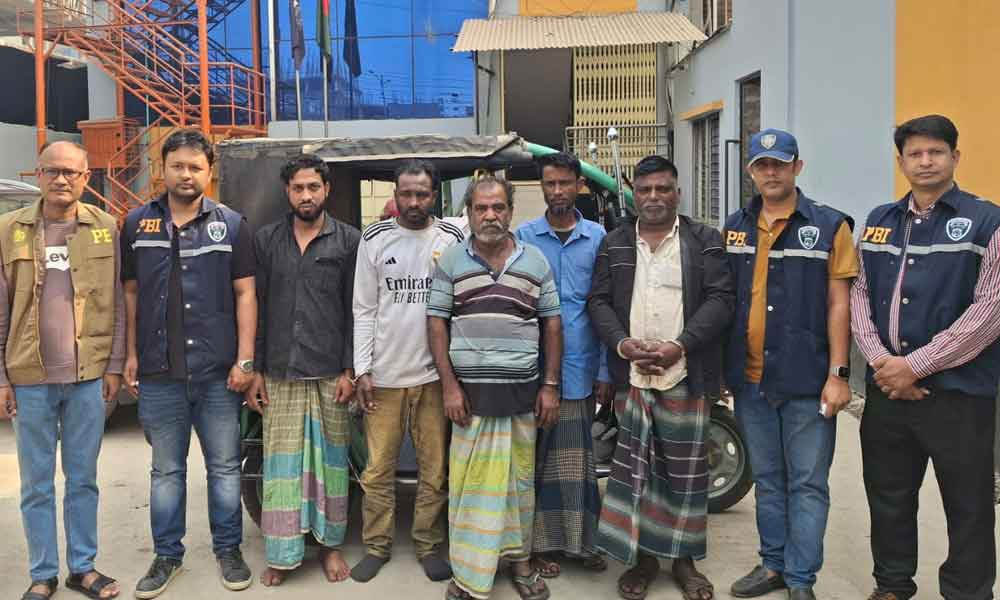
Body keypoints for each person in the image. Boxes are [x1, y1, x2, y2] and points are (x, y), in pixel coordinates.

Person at [851, 114, 1000, 600]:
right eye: (915, 153)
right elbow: (859, 295)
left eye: (936, 152)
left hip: (959, 394)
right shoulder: (878, 221)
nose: (925, 161)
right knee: (888, 496)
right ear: (901, 162)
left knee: (968, 503)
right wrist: (882, 363)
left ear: (955, 157)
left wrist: (915, 366)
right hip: (888, 393)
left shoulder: (987, 221)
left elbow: (990, 310)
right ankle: (892, 585)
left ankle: (968, 592)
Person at [588, 155, 734, 600]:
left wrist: (680, 346)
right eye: (645, 189)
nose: (653, 197)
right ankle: (645, 560)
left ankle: (685, 561)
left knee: (685, 474)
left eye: (662, 189)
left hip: (685, 372)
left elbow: (721, 300)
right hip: (632, 375)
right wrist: (623, 345)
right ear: (634, 194)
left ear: (677, 193)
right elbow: (598, 301)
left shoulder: (704, 240)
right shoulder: (615, 242)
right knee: (639, 473)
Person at [121, 128, 257, 598]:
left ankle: (228, 550)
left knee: (224, 468)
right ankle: (167, 556)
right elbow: (130, 294)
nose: (186, 174)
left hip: (217, 374)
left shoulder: (232, 225)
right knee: (166, 472)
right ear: (162, 168)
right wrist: (131, 354)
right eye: (177, 165)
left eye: (195, 167)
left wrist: (245, 360)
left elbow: (246, 294)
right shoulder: (136, 224)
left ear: (209, 171)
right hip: (159, 373)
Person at [722, 130, 857, 600]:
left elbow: (840, 305)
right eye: (762, 165)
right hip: (751, 380)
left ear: (797, 167)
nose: (771, 172)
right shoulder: (735, 227)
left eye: (780, 163)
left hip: (807, 380)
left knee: (808, 483)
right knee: (767, 480)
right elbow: (726, 301)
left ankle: (801, 579)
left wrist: (839, 375)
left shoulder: (829, 226)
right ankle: (773, 565)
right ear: (751, 172)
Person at [427, 175, 562, 600]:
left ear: (510, 212)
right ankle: (469, 574)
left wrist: (550, 385)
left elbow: (552, 324)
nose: (490, 215)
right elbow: (436, 323)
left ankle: (521, 564)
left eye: (498, 207)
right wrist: (450, 387)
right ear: (468, 213)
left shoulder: (535, 260)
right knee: (470, 488)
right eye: (481, 208)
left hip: (522, 395)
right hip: (469, 400)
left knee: (518, 487)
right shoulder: (451, 260)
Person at [0, 141, 124, 600]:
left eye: (71, 172)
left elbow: (117, 302)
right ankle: (43, 573)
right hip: (29, 378)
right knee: (36, 484)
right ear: (38, 174)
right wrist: (1, 378)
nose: (61, 179)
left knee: (82, 479)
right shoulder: (9, 229)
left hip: (87, 377)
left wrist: (114, 365)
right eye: (52, 171)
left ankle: (83, 568)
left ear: (86, 178)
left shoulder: (105, 228)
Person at [247, 154, 359, 586]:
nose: (306, 195)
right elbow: (256, 307)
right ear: (287, 192)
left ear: (327, 190)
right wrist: (255, 369)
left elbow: (356, 309)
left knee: (332, 466)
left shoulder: (348, 240)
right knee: (283, 468)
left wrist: (350, 369)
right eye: (298, 188)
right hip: (280, 371)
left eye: (314, 187)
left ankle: (330, 547)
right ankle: (282, 553)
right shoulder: (266, 240)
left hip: (331, 371)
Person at [350, 160, 462, 583]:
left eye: (422, 194)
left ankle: (428, 544)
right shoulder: (375, 238)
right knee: (378, 469)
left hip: (434, 378)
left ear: (434, 195)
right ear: (395, 195)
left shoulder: (451, 237)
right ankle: (376, 545)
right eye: (406, 194)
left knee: (435, 469)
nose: (414, 202)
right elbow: (364, 309)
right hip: (384, 377)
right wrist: (363, 369)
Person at [513, 152, 612, 578]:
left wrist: (605, 369)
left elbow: (606, 308)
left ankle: (580, 541)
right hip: (530, 371)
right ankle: (535, 546)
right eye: (550, 184)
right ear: (542, 187)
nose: (557, 191)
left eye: (564, 183)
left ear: (578, 185)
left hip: (581, 369)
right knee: (533, 461)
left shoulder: (599, 238)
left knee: (575, 462)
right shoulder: (523, 238)